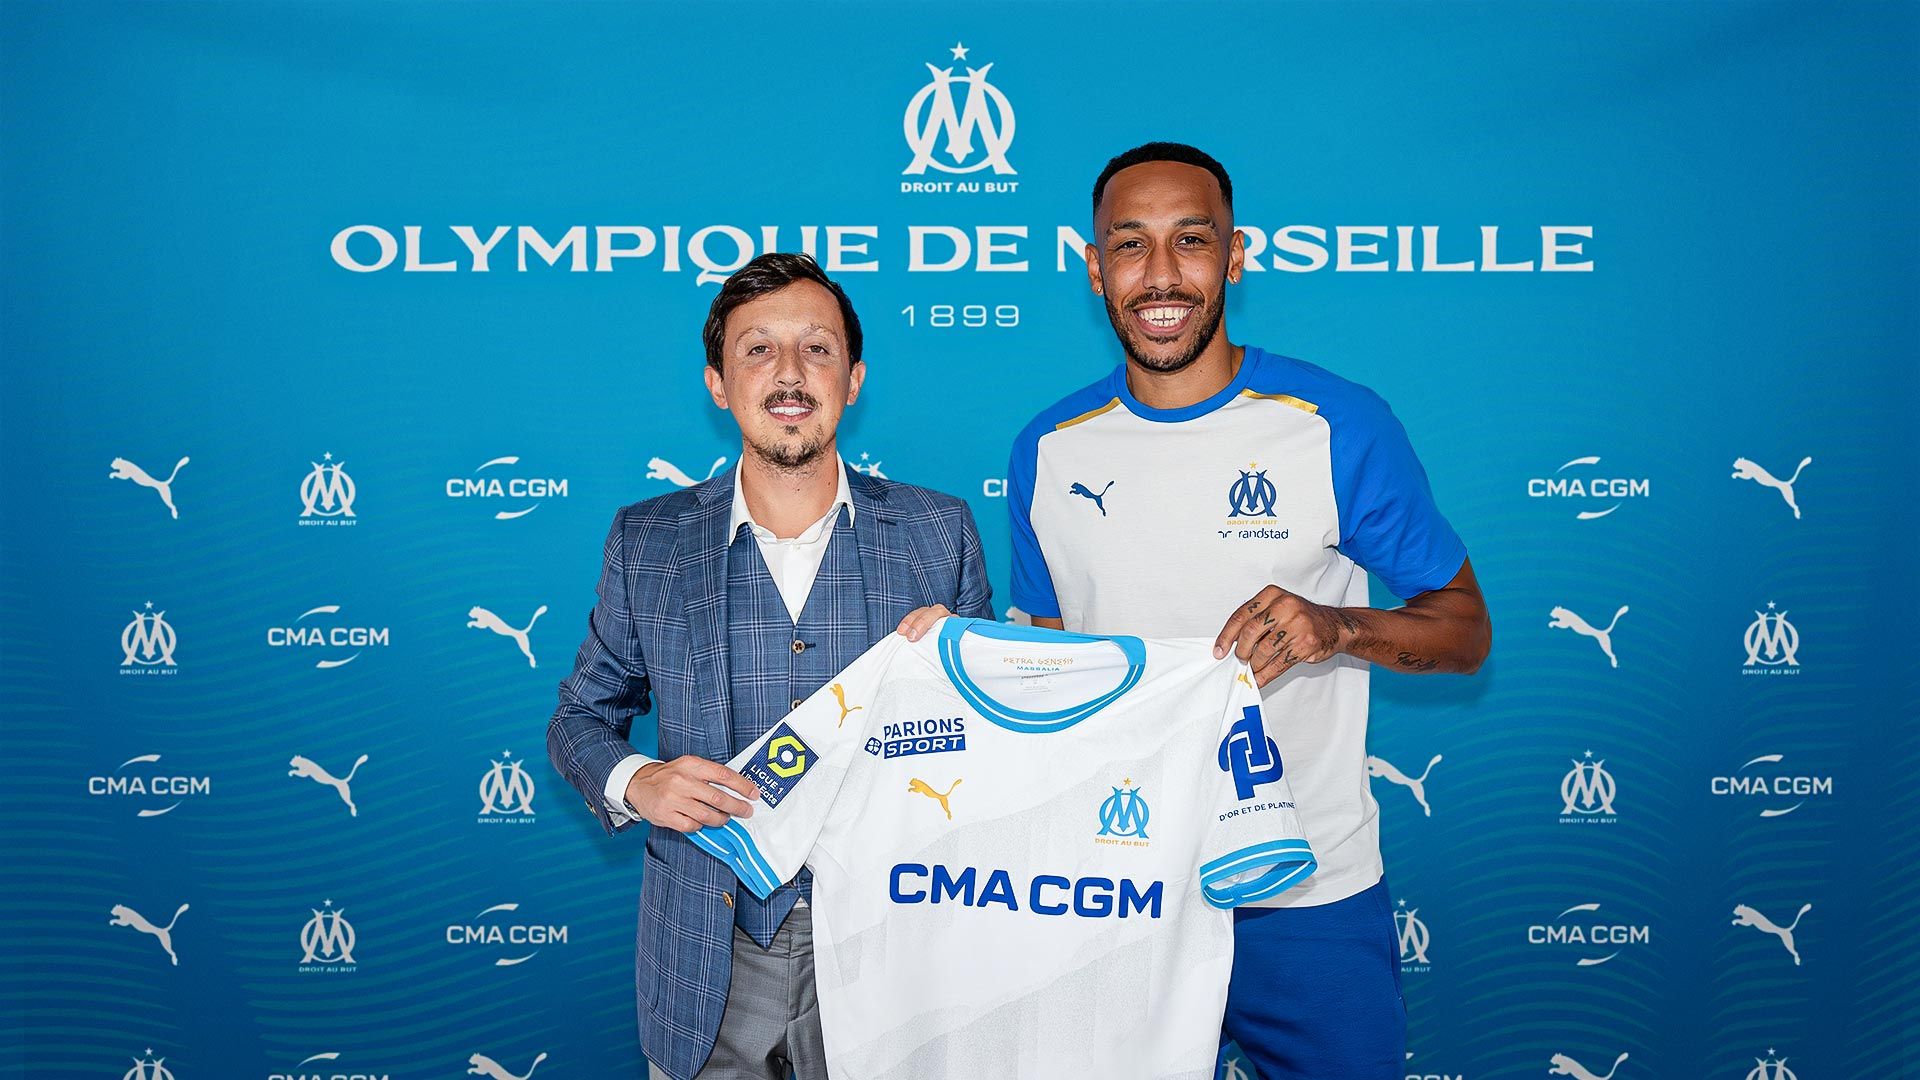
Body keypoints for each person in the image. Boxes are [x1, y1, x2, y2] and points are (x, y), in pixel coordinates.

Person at [1007, 142, 1491, 1080]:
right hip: (1117, 894)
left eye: (1191, 242)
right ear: (1094, 267)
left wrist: (1339, 627)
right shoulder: (1049, 448)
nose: (1161, 277)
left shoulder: (1334, 422)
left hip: (1311, 899)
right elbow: (1049, 666)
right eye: (1131, 246)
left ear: (1235, 257)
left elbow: (1466, 628)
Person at [548, 252, 993, 1080]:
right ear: (718, 382)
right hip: (705, 955)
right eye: (757, 350)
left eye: (817, 349)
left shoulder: (941, 533)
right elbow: (579, 719)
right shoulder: (648, 540)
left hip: (888, 949)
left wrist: (970, 670)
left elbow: (992, 754)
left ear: (853, 378)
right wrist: (636, 780)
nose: (789, 374)